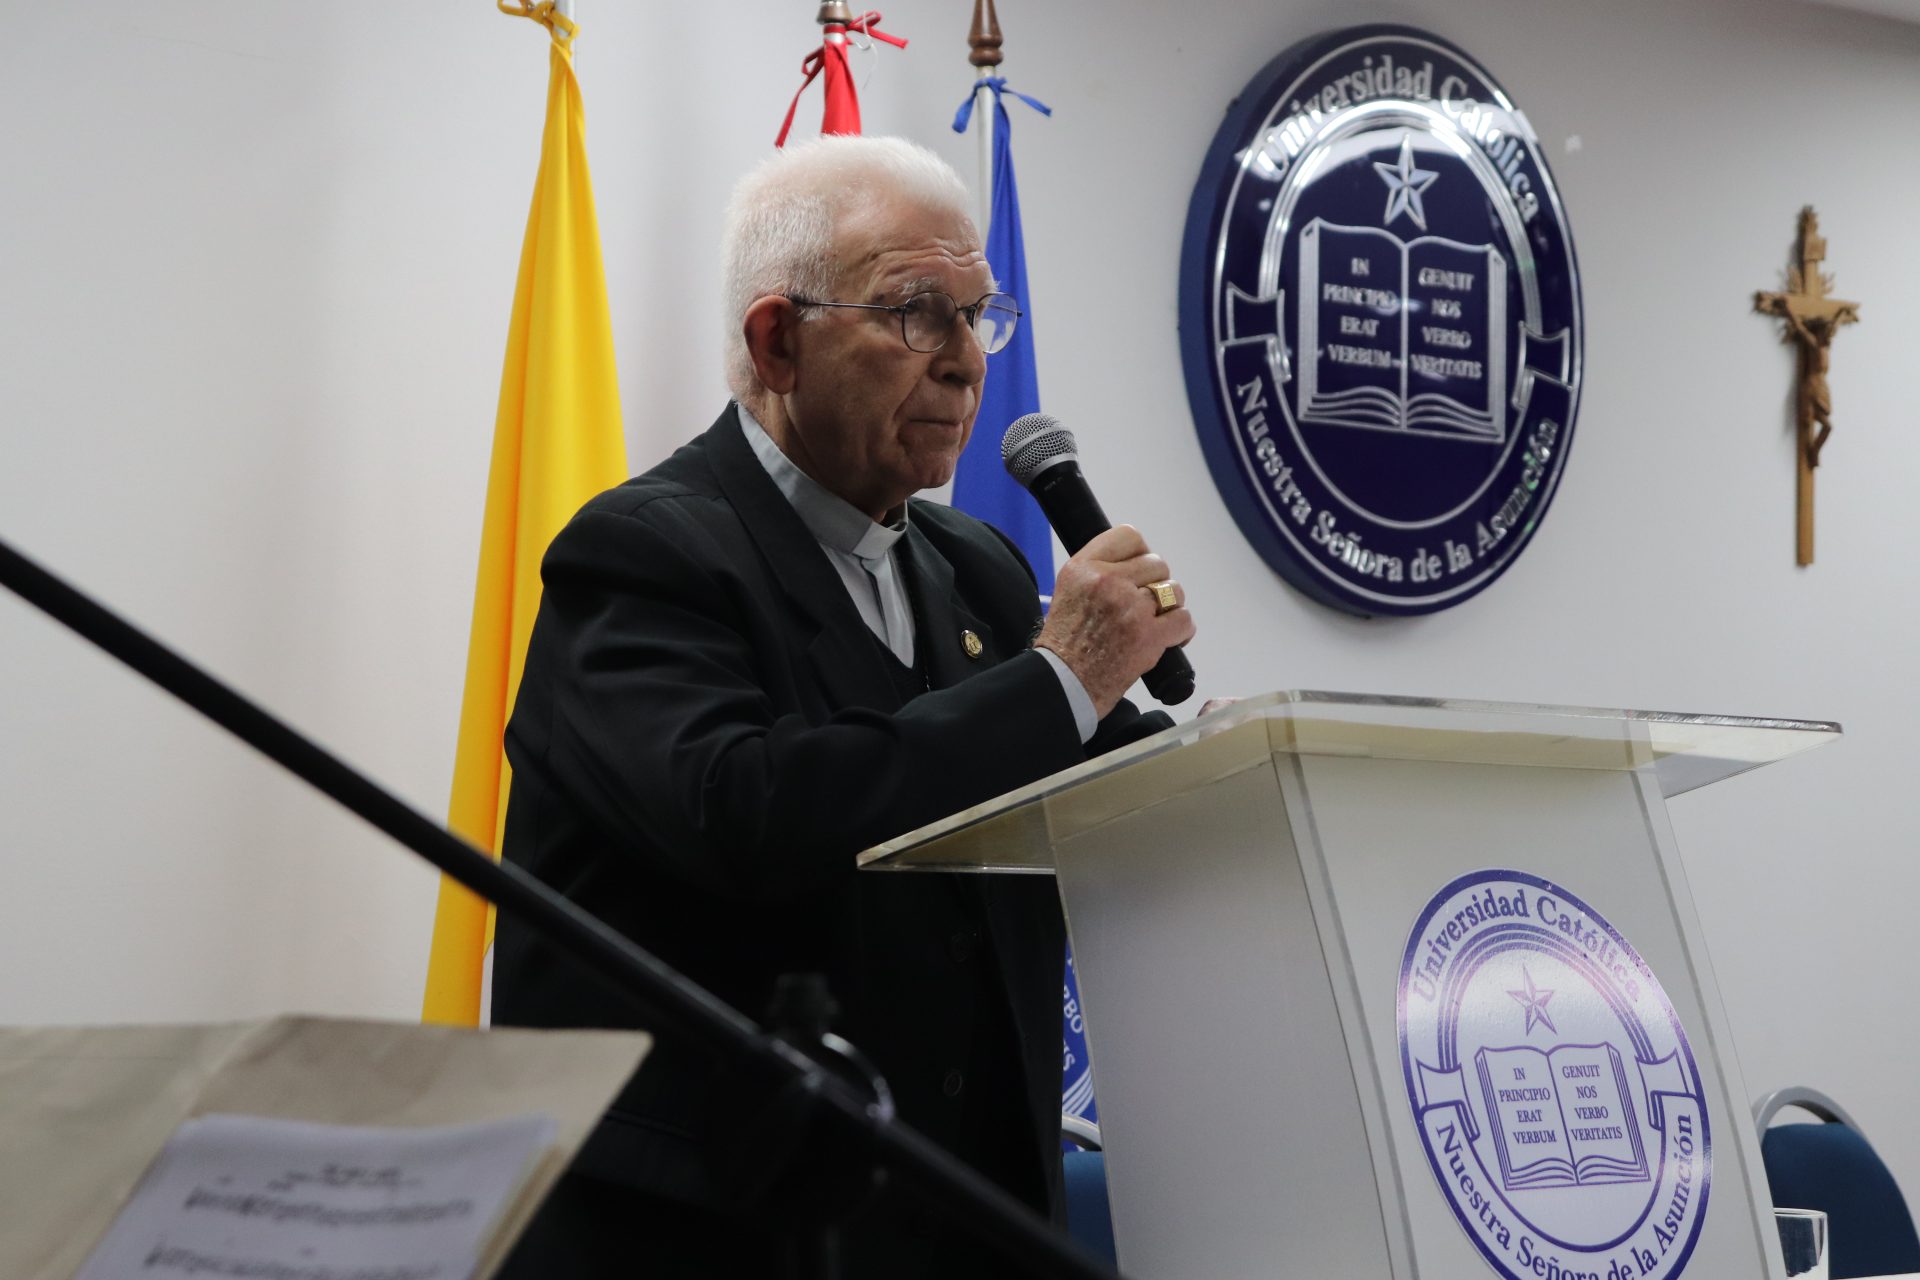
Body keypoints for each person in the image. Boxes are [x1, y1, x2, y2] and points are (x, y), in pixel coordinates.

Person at [493, 135, 1195, 1277]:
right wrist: (1063, 676)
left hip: (969, 1219)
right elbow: (753, 812)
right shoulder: (642, 555)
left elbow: (1115, 792)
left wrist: (1233, 767)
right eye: (918, 313)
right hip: (722, 1239)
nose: (965, 364)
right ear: (778, 340)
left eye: (978, 316)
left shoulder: (976, 566)